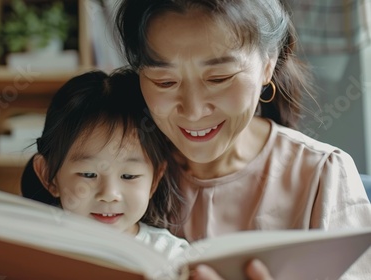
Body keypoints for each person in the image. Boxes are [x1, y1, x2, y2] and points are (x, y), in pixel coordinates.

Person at [114, 0, 371, 279]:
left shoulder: (323, 175)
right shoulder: (112, 170)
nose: (194, 110)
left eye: (219, 78)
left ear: (267, 65)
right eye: (165, 81)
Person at [0, 68, 189, 279]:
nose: (109, 194)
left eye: (129, 176)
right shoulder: (16, 246)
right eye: (88, 174)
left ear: (155, 178)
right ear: (48, 176)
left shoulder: (174, 257)